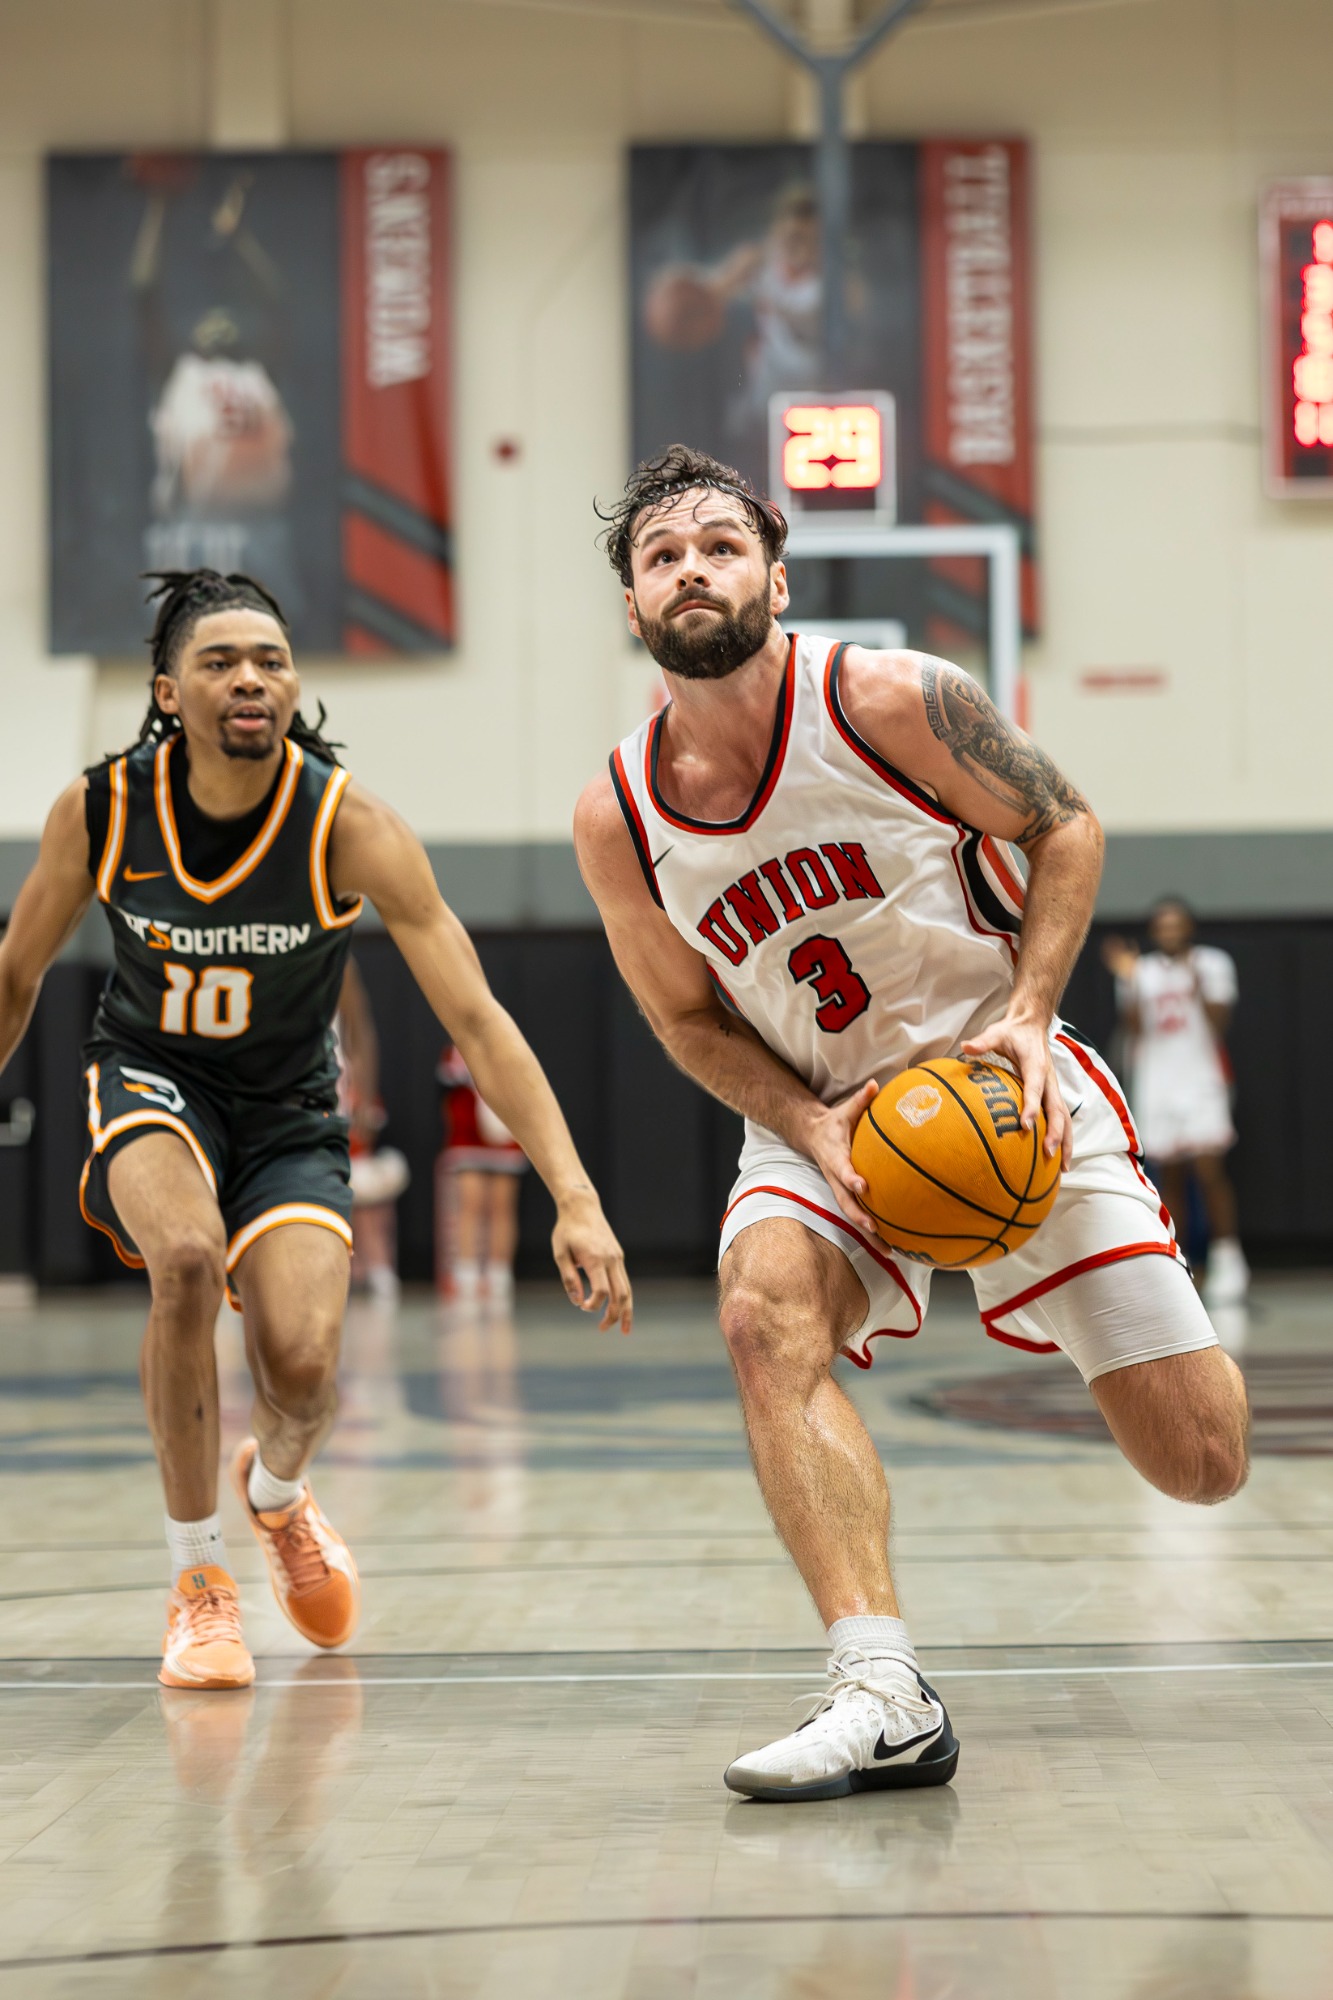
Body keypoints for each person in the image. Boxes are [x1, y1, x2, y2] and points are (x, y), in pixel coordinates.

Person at [574, 444, 1249, 1804]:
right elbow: (687, 1024)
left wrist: (1034, 1007)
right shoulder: (617, 815)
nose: (690, 566)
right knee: (762, 1316)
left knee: (1202, 1465)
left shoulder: (887, 697)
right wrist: (805, 1127)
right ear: (633, 610)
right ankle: (881, 1686)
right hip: (816, 1119)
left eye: (717, 543)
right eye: (659, 555)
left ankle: (1101, 1291)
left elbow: (1065, 825)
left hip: (1003, 1091)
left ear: (775, 572)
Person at [0, 568, 630, 1692]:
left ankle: (278, 1493)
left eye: (272, 659)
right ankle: (198, 1581)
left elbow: (479, 1022)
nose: (251, 676)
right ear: (167, 689)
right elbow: (14, 976)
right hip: (153, 1077)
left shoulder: (351, 825)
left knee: (303, 1369)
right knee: (184, 1260)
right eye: (221, 660)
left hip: (291, 1108)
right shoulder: (98, 809)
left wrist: (575, 1193)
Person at [1102, 902, 1248, 1306]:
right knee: (1171, 1177)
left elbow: (1218, 1025)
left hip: (1201, 1078)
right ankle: (1178, 1263)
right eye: (1161, 925)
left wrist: (1194, 984)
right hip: (1158, 1081)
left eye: (1175, 924)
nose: (1169, 930)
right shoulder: (1140, 970)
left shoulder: (1212, 963)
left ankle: (1228, 1260)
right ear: (1154, 930)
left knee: (1209, 1168)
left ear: (1187, 928)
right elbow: (1133, 1029)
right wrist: (1128, 982)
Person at [437, 1043, 528, 1305]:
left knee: (502, 1205)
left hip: (505, 1133)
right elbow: (446, 1092)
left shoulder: (508, 1042)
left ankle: (499, 1273)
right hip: (468, 1136)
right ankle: (466, 1272)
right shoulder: (455, 1049)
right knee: (470, 1202)